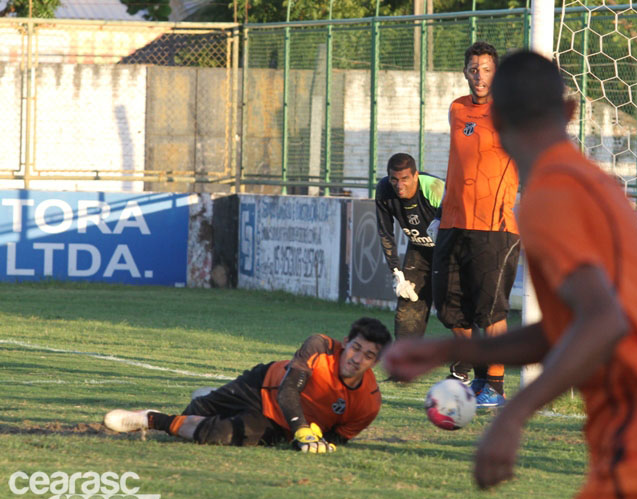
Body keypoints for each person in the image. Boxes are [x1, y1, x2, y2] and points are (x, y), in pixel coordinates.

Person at [383, 51, 637, 499]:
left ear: (495, 120)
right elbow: (573, 326)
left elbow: (604, 321)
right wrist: (444, 348)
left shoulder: (549, 198)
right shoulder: (599, 185)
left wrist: (513, 417)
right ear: (569, 112)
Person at [104, 317, 391, 453]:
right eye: (355, 348)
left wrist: (310, 441)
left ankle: (150, 419)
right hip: (259, 385)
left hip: (278, 422)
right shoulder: (320, 345)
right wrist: (302, 428)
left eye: (368, 355)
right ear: (346, 343)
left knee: (216, 434)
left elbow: (338, 437)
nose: (357, 359)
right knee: (194, 409)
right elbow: (289, 390)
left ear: (376, 363)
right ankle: (209, 399)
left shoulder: (369, 402)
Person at [430, 41, 520, 407]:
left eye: (486, 68)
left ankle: (494, 386)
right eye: (473, 68)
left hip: (494, 226)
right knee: (450, 306)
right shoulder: (457, 109)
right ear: (465, 72)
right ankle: (467, 373)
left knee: (491, 309)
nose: (479, 75)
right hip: (453, 222)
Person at [376, 153, 444, 339]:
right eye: (394, 179)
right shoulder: (384, 189)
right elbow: (385, 232)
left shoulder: (434, 188)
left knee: (452, 311)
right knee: (407, 313)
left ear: (415, 176)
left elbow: (459, 225)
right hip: (419, 250)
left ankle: (470, 365)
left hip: (447, 252)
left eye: (405, 179)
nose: (399, 186)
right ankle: (405, 366)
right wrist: (397, 274)